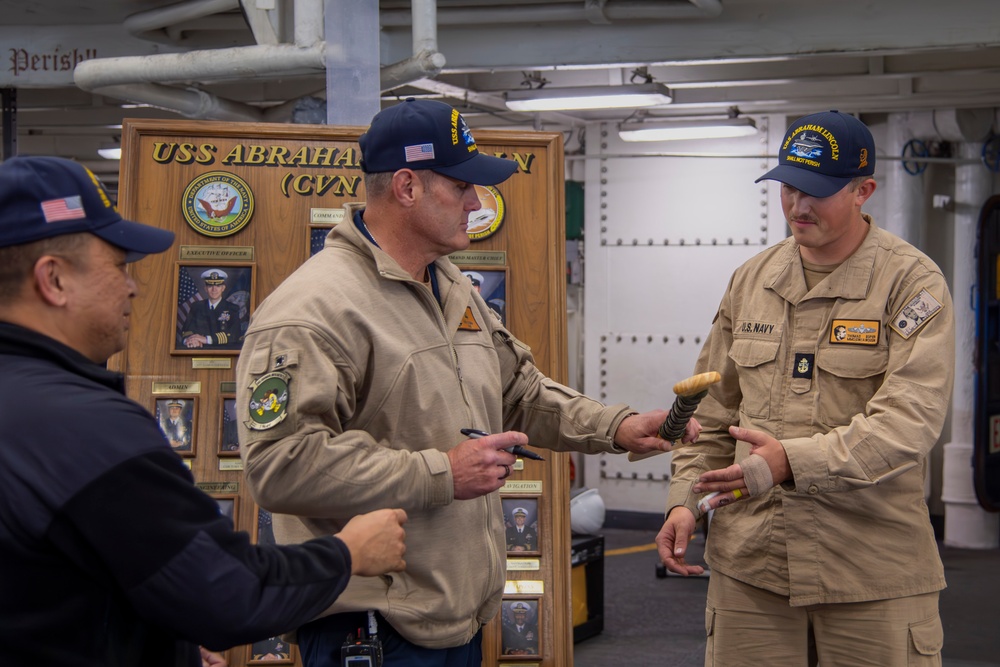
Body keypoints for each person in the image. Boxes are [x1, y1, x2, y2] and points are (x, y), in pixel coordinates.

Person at [235, 98, 698, 667]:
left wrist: (616, 426)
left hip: (456, 621)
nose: (477, 203)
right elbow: (281, 465)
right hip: (373, 631)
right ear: (407, 187)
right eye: (461, 187)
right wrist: (443, 472)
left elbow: (520, 392)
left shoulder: (448, 285)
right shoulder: (315, 310)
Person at [0, 155, 409, 667]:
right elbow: (227, 594)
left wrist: (158, 636)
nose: (133, 286)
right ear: (53, 279)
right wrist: (347, 554)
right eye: (117, 266)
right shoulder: (83, 428)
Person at [655, 111, 955, 666]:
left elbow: (909, 420)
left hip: (870, 570)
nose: (798, 206)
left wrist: (788, 462)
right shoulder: (752, 280)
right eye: (789, 187)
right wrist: (684, 501)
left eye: (817, 191)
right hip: (753, 565)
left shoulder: (911, 284)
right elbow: (712, 409)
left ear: (864, 190)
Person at [180, 268, 245, 349]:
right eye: (210, 286)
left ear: (223, 288)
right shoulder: (196, 306)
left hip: (224, 353)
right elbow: (186, 331)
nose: (214, 289)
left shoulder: (232, 309)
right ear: (205, 288)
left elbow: (234, 335)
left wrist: (206, 339)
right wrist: (189, 340)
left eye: (218, 286)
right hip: (198, 351)